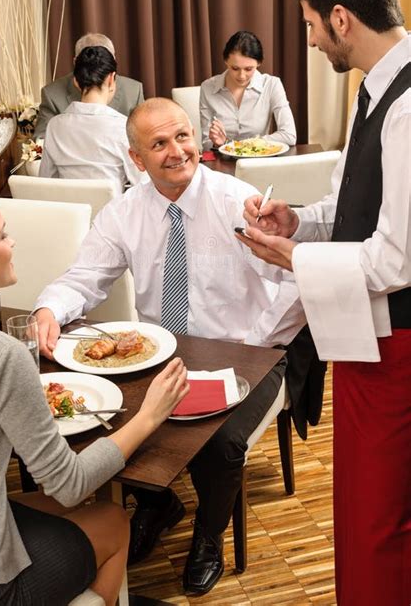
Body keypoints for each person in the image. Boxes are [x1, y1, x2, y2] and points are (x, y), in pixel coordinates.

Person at [34, 97, 307, 595]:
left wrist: (256, 345)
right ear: (137, 159)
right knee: (111, 416)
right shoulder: (124, 212)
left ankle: (209, 534)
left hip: (245, 350)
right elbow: (85, 277)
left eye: (182, 136)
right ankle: (159, 505)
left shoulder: (236, 201)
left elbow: (293, 280)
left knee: (220, 443)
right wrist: (50, 308)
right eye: (158, 144)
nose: (176, 151)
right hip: (163, 353)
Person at [237, 0, 410, 606]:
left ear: (341, 18)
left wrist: (295, 259)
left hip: (399, 345)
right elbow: (354, 204)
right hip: (368, 339)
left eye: (311, 24)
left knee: (379, 526)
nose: (310, 41)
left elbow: (396, 258)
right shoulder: (378, 88)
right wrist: (298, 221)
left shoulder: (408, 103)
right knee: (364, 513)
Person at [0, 187, 188, 606]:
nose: (12, 242)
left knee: (43, 503)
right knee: (110, 517)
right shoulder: (0, 355)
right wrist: (149, 416)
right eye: (2, 235)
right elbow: (68, 484)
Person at [39, 46, 144, 193]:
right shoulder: (123, 127)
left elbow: (46, 181)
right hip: (112, 213)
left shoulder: (54, 126)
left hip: (70, 213)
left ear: (76, 81)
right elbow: (142, 184)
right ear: (111, 79)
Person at [199, 30, 297, 150]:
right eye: (235, 68)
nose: (241, 76)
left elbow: (289, 135)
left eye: (249, 69)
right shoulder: (208, 88)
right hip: (222, 163)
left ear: (259, 63)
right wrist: (216, 143)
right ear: (225, 61)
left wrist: (235, 145)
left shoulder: (271, 85)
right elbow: (206, 144)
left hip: (259, 162)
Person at [35, 32, 144, 139]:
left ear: (113, 61)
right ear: (76, 62)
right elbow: (41, 141)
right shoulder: (52, 95)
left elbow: (144, 137)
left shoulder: (134, 90)